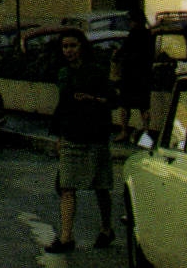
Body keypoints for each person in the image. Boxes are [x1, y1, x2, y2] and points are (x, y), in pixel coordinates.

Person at [47, 30, 115, 253]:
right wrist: (58, 137)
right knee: (67, 186)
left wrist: (91, 99)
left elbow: (112, 100)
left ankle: (107, 228)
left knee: (100, 186)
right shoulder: (63, 74)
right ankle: (66, 237)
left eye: (73, 46)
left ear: (82, 47)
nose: (69, 51)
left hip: (95, 136)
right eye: (65, 47)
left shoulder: (96, 72)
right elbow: (62, 106)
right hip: (71, 135)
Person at [114, 13, 154, 144]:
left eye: (130, 21)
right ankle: (147, 133)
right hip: (144, 77)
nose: (129, 23)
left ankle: (124, 131)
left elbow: (122, 53)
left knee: (125, 106)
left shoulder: (133, 35)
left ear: (135, 21)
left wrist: (118, 57)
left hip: (130, 76)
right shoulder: (149, 35)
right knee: (144, 106)